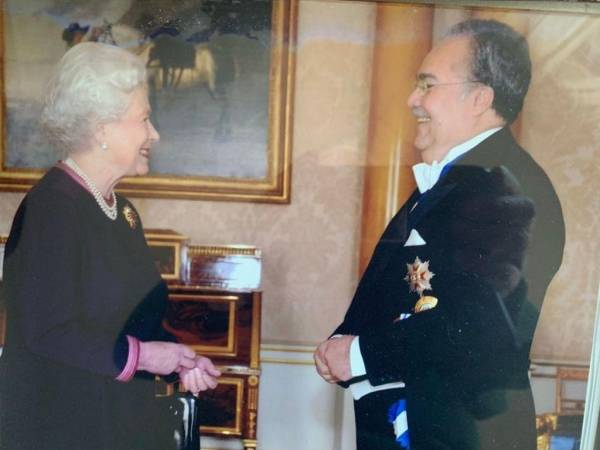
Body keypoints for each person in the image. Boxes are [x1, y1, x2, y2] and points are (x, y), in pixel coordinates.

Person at [314, 19, 565, 450]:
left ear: (479, 98)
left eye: (427, 85)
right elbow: (399, 290)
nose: (413, 99)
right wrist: (344, 339)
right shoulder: (463, 179)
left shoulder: (508, 187)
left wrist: (359, 353)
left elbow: (477, 326)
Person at [0, 42, 221, 450]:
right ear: (102, 128)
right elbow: (49, 330)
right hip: (59, 430)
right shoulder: (52, 208)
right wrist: (147, 357)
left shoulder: (122, 212)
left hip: (114, 424)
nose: (154, 134)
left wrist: (179, 359)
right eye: (144, 118)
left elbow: (133, 323)